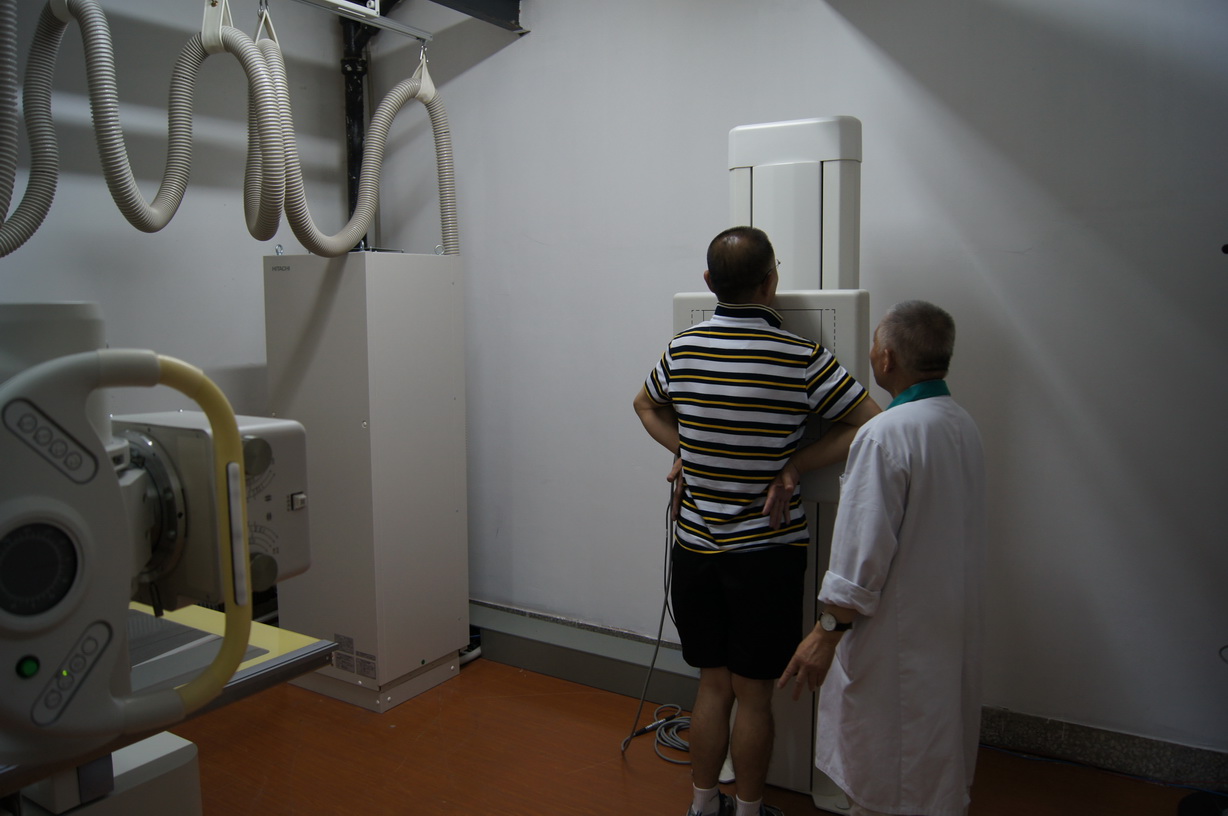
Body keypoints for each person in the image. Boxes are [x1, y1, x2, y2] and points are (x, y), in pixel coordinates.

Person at [634, 226, 880, 816]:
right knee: (754, 696)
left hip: (696, 550)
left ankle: (702, 807)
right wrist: (795, 463)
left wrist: (687, 450)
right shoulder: (801, 357)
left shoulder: (681, 349)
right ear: (771, 281)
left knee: (711, 686)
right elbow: (871, 422)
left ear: (709, 282)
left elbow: (644, 404)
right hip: (766, 555)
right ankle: (748, 811)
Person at [776, 300, 988, 816]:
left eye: (874, 343)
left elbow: (860, 553)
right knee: (933, 760)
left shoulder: (885, 434)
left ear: (887, 358)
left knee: (889, 772)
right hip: (945, 625)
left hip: (895, 635)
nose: (870, 352)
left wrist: (825, 632)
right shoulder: (962, 425)